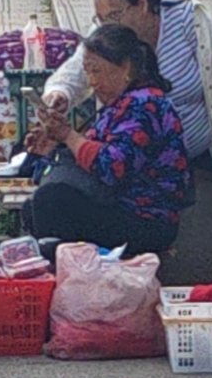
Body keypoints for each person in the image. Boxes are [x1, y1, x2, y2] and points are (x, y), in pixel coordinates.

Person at [44, 0, 212, 272]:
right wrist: (59, 94)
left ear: (142, 4)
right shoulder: (111, 37)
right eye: (101, 19)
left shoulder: (188, 21)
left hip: (199, 139)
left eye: (115, 15)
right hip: (141, 151)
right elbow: (76, 71)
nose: (107, 24)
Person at [26, 24, 190, 259]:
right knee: (34, 208)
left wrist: (69, 136)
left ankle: (69, 276)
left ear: (126, 69)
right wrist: (51, 147)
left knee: (52, 201)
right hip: (113, 204)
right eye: (88, 72)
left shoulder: (145, 105)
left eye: (97, 71)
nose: (92, 82)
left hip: (145, 218)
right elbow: (86, 155)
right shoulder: (117, 105)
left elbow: (113, 167)